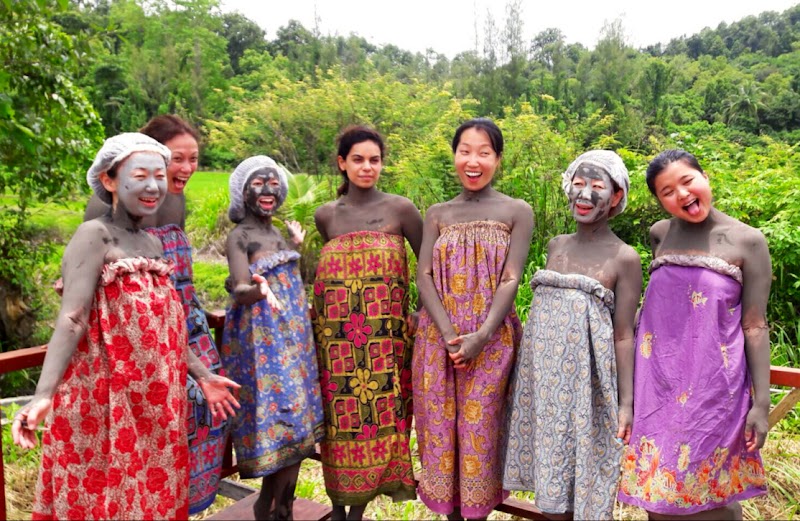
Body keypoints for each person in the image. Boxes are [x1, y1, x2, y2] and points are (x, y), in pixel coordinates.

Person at [11, 133, 235, 519]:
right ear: (110, 180)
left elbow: (164, 327)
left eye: (159, 176)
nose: (154, 186)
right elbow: (72, 317)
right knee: (103, 501)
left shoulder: (151, 244)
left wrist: (201, 374)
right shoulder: (94, 235)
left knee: (149, 501)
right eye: (141, 175)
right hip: (104, 403)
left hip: (156, 405)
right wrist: (43, 394)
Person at [84, 115, 237, 514]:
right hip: (137, 338)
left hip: (189, 326)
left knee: (207, 418)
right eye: (177, 159)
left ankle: (185, 507)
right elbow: (90, 280)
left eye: (194, 159)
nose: (185, 169)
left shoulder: (176, 199)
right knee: (150, 433)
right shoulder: (106, 207)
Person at [617, 149, 770, 520]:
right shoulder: (659, 234)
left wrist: (761, 405)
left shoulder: (747, 241)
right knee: (657, 495)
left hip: (713, 386)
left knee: (710, 494)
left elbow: (754, 325)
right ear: (659, 201)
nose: (682, 195)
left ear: (705, 177)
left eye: (687, 181)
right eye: (668, 191)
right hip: (656, 385)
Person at [501, 150, 642, 520]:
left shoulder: (624, 257)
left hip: (587, 391)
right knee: (551, 483)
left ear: (615, 197)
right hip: (545, 387)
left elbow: (624, 335)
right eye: (578, 184)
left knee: (585, 484)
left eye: (597, 186)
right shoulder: (555, 246)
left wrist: (626, 403)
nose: (584, 195)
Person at [412, 117, 534, 520]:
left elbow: (512, 276)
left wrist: (480, 336)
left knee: (480, 433)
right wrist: (449, 335)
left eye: (484, 152)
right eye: (465, 150)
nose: (473, 160)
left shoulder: (517, 211)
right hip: (438, 343)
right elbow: (424, 275)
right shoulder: (437, 213)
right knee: (442, 433)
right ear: (454, 155)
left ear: (498, 158)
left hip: (492, 342)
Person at [312, 125, 423, 520]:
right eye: (357, 159)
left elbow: (428, 267)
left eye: (374, 160)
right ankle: (338, 505)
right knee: (340, 425)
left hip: (385, 344)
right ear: (342, 163)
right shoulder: (326, 216)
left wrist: (419, 313)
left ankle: (355, 513)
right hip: (336, 346)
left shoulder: (401, 210)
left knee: (381, 422)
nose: (367, 167)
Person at [221, 155, 325, 520]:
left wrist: (296, 243)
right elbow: (241, 289)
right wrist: (252, 287)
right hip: (263, 343)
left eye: (273, 182)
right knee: (281, 420)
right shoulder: (241, 236)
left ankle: (283, 505)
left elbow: (292, 274)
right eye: (258, 184)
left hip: (294, 336)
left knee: (299, 423)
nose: (269, 190)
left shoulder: (276, 230)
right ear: (242, 191)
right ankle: (269, 504)